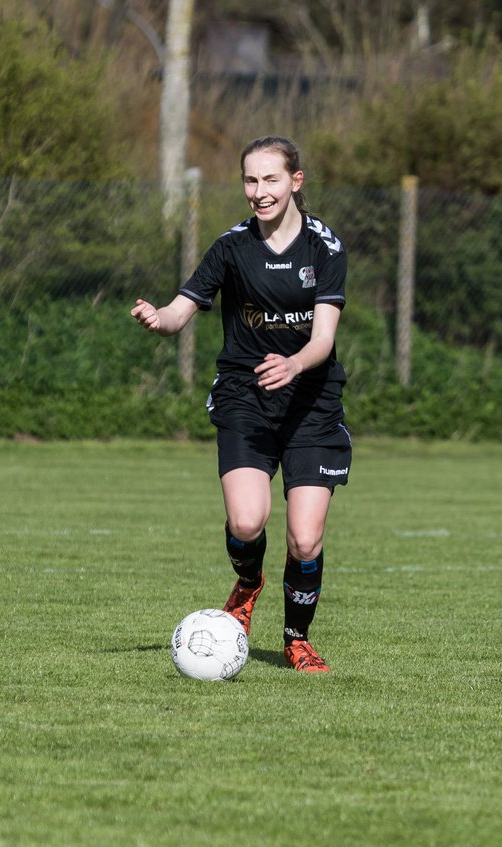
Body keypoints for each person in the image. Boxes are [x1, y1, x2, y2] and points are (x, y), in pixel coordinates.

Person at [132, 135, 351, 670]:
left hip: (310, 403)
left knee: (305, 537)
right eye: (250, 181)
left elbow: (322, 339)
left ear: (295, 181)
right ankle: (248, 584)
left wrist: (295, 363)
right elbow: (182, 309)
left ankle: (296, 638)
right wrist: (160, 319)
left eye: (270, 179)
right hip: (245, 396)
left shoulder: (325, 248)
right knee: (249, 522)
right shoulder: (231, 247)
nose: (259, 191)